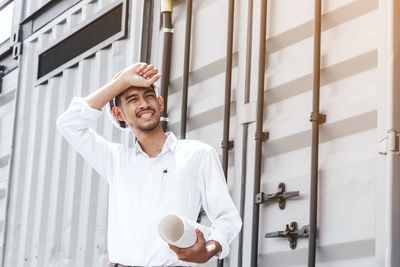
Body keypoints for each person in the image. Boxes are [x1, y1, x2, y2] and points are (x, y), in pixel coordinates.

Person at [56, 63, 242, 267]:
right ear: (119, 114)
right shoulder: (116, 160)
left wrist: (209, 249)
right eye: (133, 100)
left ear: (160, 103)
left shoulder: (198, 155)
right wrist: (121, 81)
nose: (144, 104)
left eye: (149, 96)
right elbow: (69, 124)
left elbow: (227, 218)